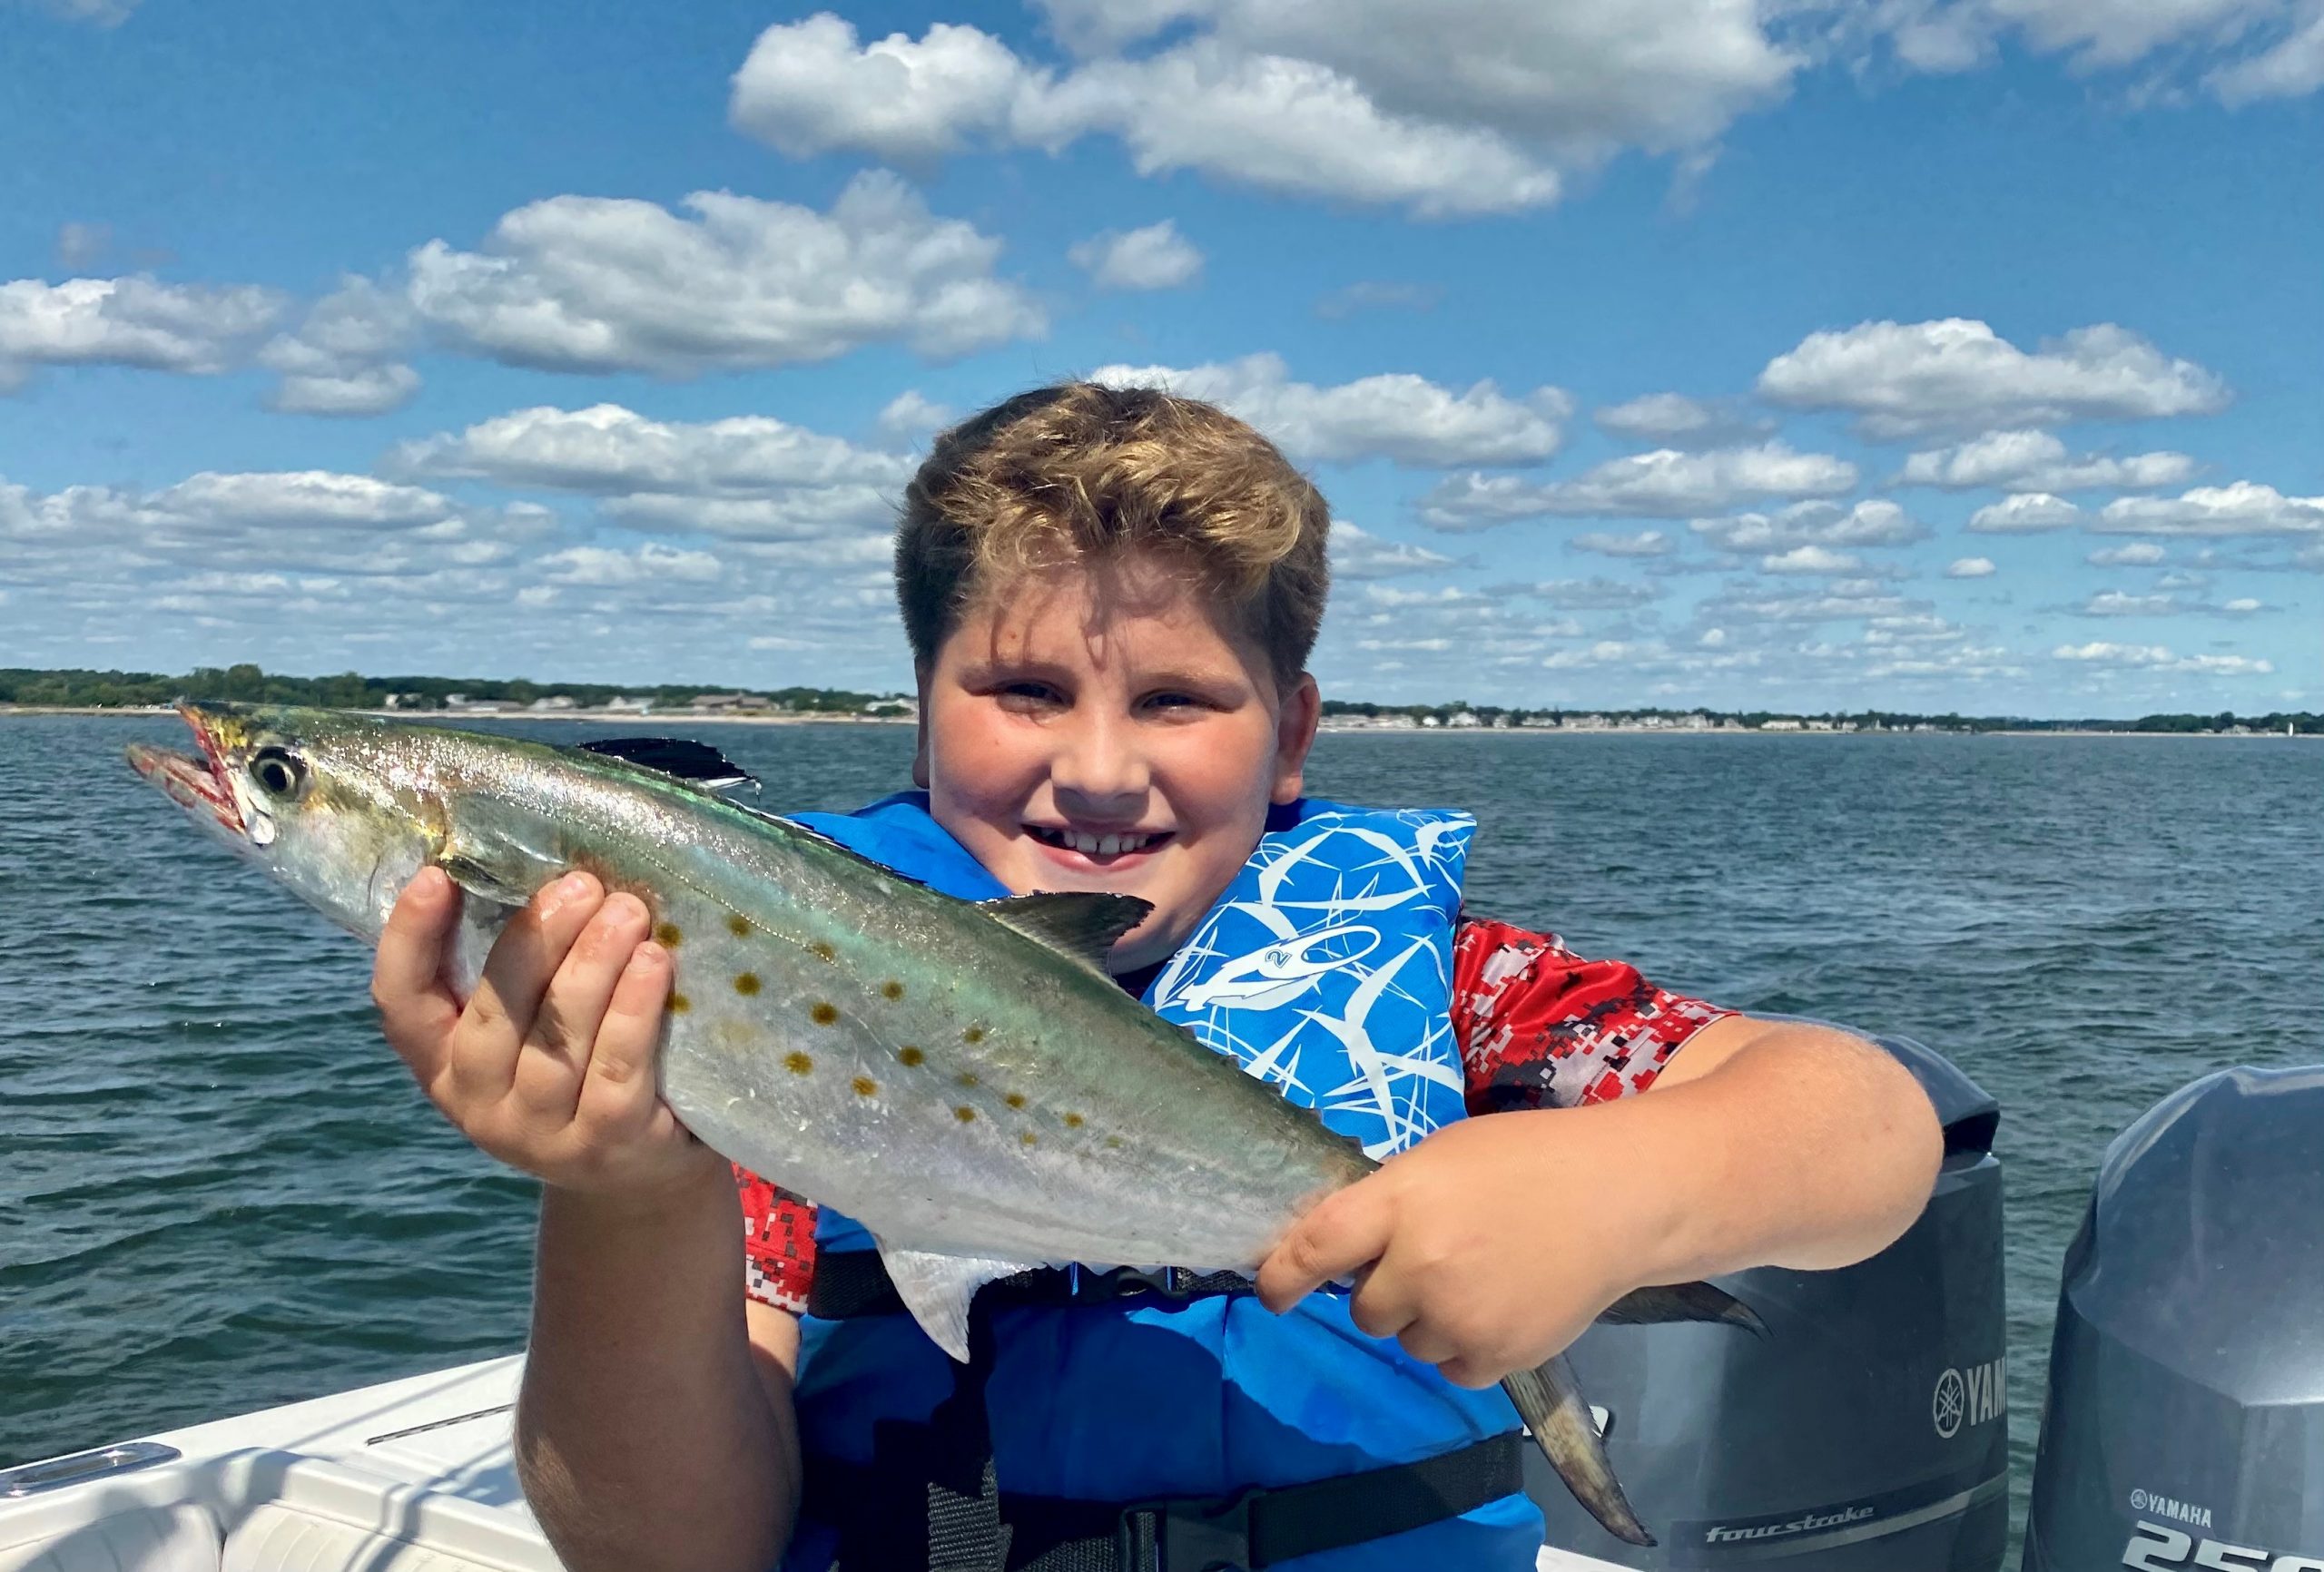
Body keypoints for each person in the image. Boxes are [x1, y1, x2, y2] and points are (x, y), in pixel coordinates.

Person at [369, 383, 1944, 1572]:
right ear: (918, 713)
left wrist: (1627, 1191)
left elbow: (1870, 1133)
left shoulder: (1451, 992)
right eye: (1024, 689)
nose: (1100, 774)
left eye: (1181, 698)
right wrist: (626, 1196)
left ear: (1295, 738)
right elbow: (663, 1552)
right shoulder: (759, 1029)